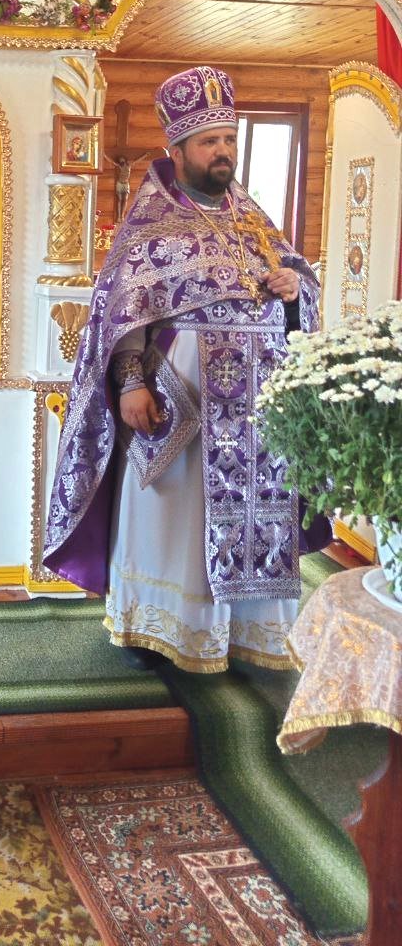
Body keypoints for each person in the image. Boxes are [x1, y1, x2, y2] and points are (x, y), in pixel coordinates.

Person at [45, 66, 330, 673]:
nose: (223, 150)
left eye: (229, 139)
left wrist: (292, 288)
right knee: (173, 517)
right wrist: (130, 383)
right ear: (176, 150)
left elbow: (299, 287)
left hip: (258, 408)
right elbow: (122, 312)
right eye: (209, 141)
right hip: (184, 401)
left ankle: (246, 631)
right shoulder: (150, 223)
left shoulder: (252, 218)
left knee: (255, 515)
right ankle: (160, 629)